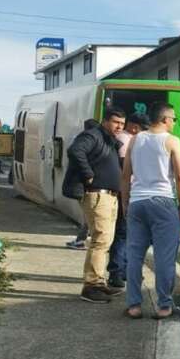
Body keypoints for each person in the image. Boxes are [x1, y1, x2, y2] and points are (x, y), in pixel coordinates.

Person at [122, 102, 180, 320]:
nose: (174, 122)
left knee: (134, 256)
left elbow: (125, 176)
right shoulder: (172, 141)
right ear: (165, 119)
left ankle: (134, 305)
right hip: (163, 202)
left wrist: (125, 203)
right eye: (174, 119)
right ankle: (164, 305)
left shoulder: (135, 139)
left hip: (137, 203)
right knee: (164, 257)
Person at [67, 109, 126, 303]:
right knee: (100, 240)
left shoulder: (109, 139)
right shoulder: (93, 135)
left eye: (122, 124)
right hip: (98, 195)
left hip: (110, 196)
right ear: (105, 121)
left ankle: (99, 283)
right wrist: (88, 174)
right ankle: (91, 286)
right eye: (116, 122)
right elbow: (75, 151)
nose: (119, 127)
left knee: (105, 240)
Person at [107, 112, 149, 288]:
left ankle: (124, 270)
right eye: (142, 129)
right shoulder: (125, 139)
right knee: (123, 234)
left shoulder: (128, 139)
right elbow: (127, 169)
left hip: (129, 192)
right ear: (134, 126)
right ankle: (117, 272)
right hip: (127, 192)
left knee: (127, 234)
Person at [66, 119, 100, 250]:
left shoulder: (84, 141)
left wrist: (88, 174)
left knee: (88, 215)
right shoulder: (93, 142)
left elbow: (73, 152)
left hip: (85, 186)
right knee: (88, 215)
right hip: (88, 186)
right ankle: (82, 239)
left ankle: (82, 240)